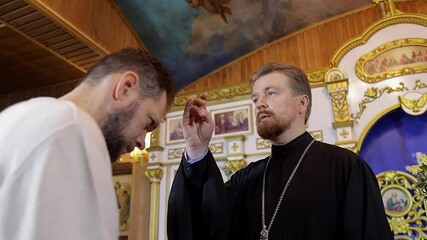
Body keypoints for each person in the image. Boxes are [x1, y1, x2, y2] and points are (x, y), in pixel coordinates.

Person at [167, 62, 393, 240]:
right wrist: (196, 148)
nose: (259, 104)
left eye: (271, 93)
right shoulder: (247, 178)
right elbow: (202, 228)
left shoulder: (345, 168)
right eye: (255, 98)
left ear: (301, 104)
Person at [0, 48, 175, 240]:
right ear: (125, 87)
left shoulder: (20, 116)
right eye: (148, 122)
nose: (142, 142)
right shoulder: (73, 131)